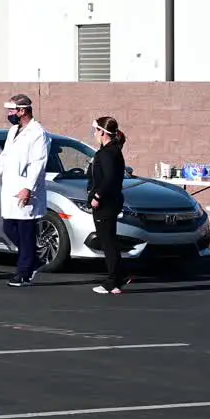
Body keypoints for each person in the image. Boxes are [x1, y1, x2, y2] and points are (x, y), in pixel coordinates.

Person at [0, 93, 51, 287]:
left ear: (23, 111)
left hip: (25, 189)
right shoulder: (13, 130)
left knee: (25, 231)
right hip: (10, 188)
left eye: (12, 110)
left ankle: (24, 272)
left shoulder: (38, 133)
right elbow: (4, 157)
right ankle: (33, 259)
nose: (10, 114)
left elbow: (39, 163)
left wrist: (28, 188)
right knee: (9, 228)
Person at [89, 116, 128, 294]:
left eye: (97, 130)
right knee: (109, 240)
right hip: (112, 201)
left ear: (103, 132)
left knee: (108, 242)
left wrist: (97, 195)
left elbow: (109, 178)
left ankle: (113, 280)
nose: (95, 134)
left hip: (106, 203)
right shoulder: (113, 151)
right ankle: (118, 279)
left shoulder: (107, 153)